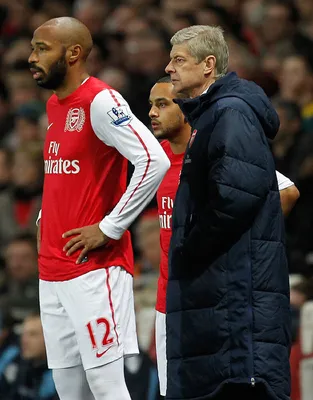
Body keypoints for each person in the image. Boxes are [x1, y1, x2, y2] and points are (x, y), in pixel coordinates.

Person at [28, 17, 170, 400]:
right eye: (32, 48)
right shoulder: (55, 105)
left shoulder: (101, 100)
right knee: (69, 389)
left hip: (94, 268)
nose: (32, 57)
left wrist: (110, 227)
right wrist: (44, 216)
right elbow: (61, 172)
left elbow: (153, 160)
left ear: (73, 53)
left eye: (42, 48)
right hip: (52, 268)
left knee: (106, 386)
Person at [149, 76, 300, 397]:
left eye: (162, 104)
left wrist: (243, 239)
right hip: (168, 302)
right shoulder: (156, 159)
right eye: (151, 105)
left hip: (207, 297)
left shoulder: (210, 152)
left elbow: (287, 193)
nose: (152, 112)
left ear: (185, 109)